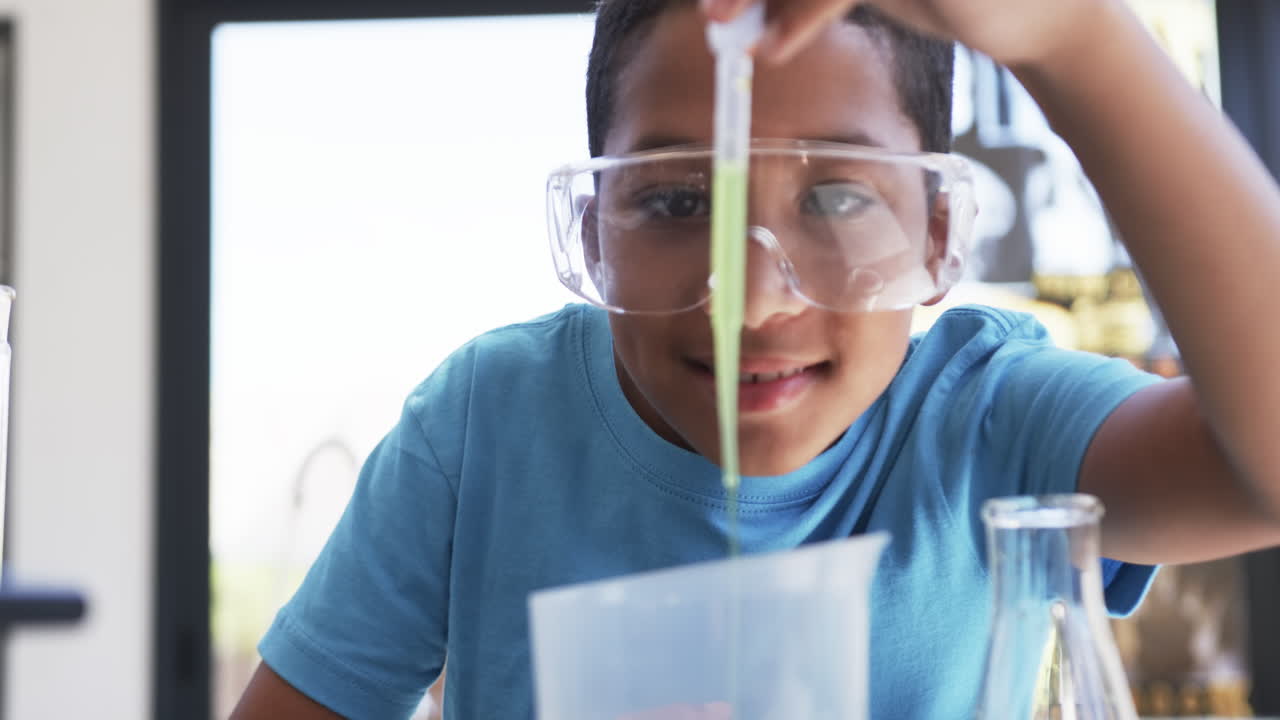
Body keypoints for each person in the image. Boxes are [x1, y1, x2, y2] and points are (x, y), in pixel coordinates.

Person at [231, 0, 1280, 717]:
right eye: (677, 200)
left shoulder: (984, 420)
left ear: (934, 230)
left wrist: (1075, 39)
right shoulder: (483, 428)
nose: (751, 299)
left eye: (833, 196)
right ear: (593, 232)